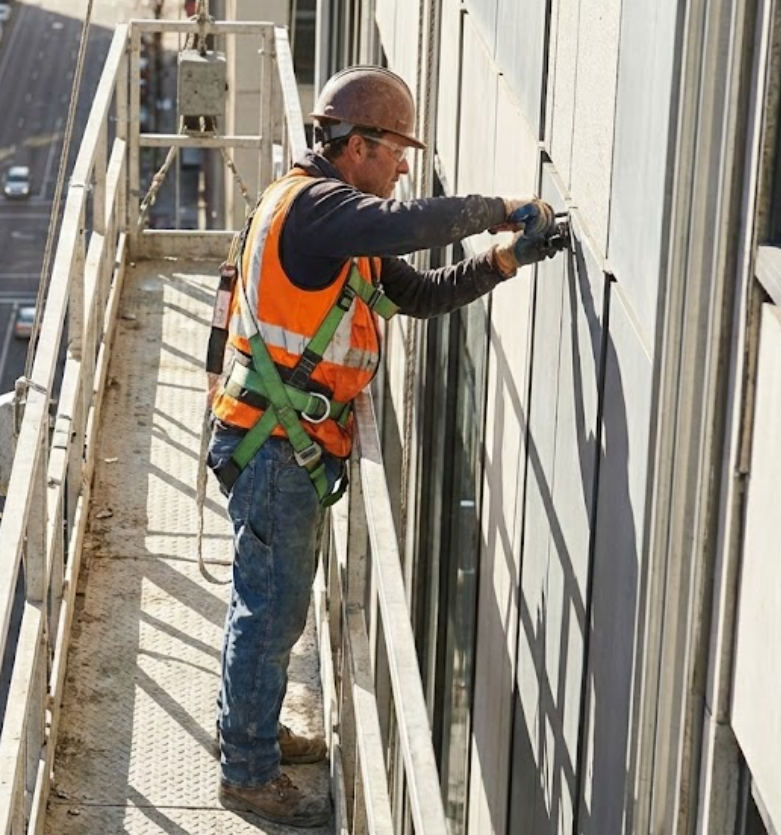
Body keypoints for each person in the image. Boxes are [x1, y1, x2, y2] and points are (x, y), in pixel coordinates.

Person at [206, 65, 561, 827]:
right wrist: (502, 209)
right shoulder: (320, 212)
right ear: (358, 144)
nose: (404, 166)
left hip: (280, 443)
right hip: (276, 447)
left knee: (269, 607)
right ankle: (245, 772)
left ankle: (252, 733)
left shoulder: (338, 227)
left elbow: (422, 295)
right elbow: (414, 224)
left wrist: (502, 261)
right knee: (270, 613)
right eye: (397, 149)